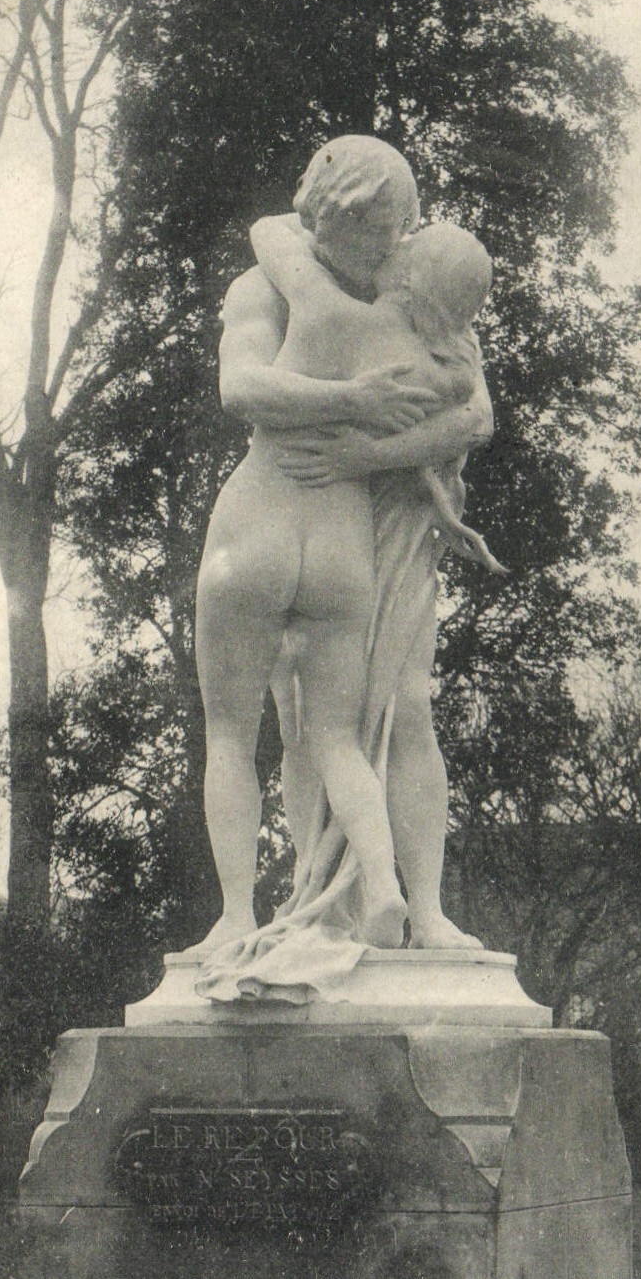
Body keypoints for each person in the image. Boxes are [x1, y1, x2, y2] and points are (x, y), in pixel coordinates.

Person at [194, 138, 496, 988]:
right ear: (332, 220)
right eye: (372, 227)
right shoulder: (277, 285)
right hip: (334, 526)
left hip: (378, 514)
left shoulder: (411, 288)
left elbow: (475, 416)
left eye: (396, 226)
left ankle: (418, 908)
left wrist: (369, 453)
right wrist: (360, 415)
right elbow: (243, 379)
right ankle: (319, 897)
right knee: (305, 726)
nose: (387, 242)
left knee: (400, 709)